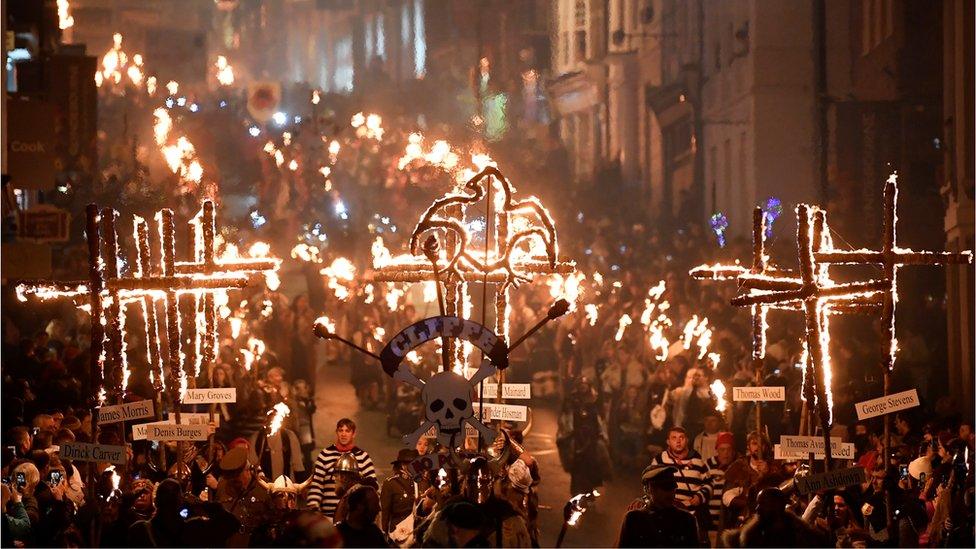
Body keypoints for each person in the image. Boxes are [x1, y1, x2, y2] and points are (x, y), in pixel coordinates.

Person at [128, 478, 239, 547]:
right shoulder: (194, 530)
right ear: (181, 502)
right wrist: (200, 504)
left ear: (155, 501)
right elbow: (232, 523)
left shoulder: (139, 530)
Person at [307, 418, 377, 518]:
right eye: (341, 430)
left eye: (347, 431)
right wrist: (313, 507)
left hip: (354, 518)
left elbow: (372, 487)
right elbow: (317, 485)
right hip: (328, 517)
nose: (343, 434)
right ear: (337, 432)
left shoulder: (363, 457)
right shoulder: (325, 455)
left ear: (353, 434)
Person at [616, 466, 698, 547]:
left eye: (672, 485)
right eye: (663, 485)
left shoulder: (687, 520)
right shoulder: (634, 519)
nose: (669, 491)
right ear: (648, 489)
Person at [721, 487, 827, 547]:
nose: (757, 509)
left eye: (763, 504)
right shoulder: (750, 536)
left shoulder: (799, 534)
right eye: (758, 504)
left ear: (777, 505)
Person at [648, 427, 711, 521]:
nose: (678, 441)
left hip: (692, 514)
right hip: (665, 514)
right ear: (668, 442)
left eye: (681, 437)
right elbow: (650, 483)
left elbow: (709, 483)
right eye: (674, 438)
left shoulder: (697, 459)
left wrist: (700, 496)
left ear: (687, 440)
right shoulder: (659, 460)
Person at [214, 446, 274, 546]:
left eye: (237, 478)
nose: (233, 483)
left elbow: (275, 521)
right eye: (230, 479)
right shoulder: (222, 486)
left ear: (247, 470)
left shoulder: (266, 487)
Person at [381, 448, 420, 539]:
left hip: (420, 533)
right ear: (402, 465)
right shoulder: (391, 484)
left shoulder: (423, 482)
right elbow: (385, 514)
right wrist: (384, 535)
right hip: (399, 534)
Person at [706, 431, 735, 534]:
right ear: (717, 450)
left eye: (729, 449)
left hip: (730, 522)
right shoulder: (708, 465)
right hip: (711, 521)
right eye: (722, 450)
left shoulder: (738, 466)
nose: (726, 453)